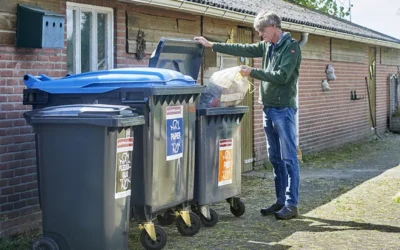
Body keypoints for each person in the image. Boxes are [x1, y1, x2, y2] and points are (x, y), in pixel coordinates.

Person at [194, 11, 302, 220]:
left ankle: (292, 203)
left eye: (262, 31)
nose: (260, 35)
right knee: (275, 158)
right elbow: (242, 48)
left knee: (289, 158)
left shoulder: (291, 47)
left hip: (284, 110)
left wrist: (251, 72)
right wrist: (211, 45)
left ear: (273, 27)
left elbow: (282, 76)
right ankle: (280, 201)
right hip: (268, 109)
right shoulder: (268, 46)